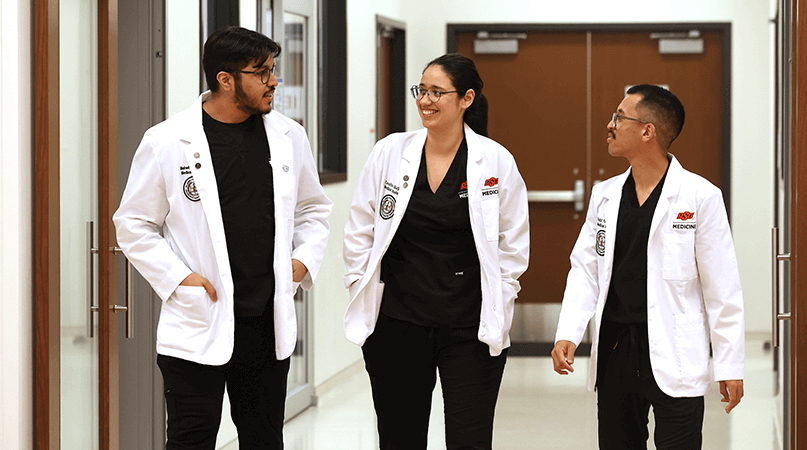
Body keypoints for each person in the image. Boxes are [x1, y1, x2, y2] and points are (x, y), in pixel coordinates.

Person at [113, 26, 331, 449]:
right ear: (225, 79)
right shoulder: (166, 141)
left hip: (265, 324)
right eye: (262, 73)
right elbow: (133, 223)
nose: (273, 82)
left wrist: (302, 262)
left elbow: (314, 210)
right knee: (190, 440)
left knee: (263, 439)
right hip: (200, 319)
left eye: (273, 70)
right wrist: (178, 279)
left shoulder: (289, 137)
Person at [342, 53, 530, 449]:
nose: (425, 100)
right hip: (397, 322)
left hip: (469, 326)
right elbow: (361, 225)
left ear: (466, 99)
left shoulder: (495, 160)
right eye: (421, 90)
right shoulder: (390, 152)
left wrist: (504, 294)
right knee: (400, 436)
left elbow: (514, 242)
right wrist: (357, 281)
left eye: (437, 92)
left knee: (470, 437)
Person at [551, 84, 744, 449]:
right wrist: (568, 331)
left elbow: (722, 288)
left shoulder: (700, 196)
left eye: (618, 117)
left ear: (647, 131)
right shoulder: (604, 195)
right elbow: (586, 269)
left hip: (675, 349)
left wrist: (730, 366)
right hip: (615, 349)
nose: (610, 125)